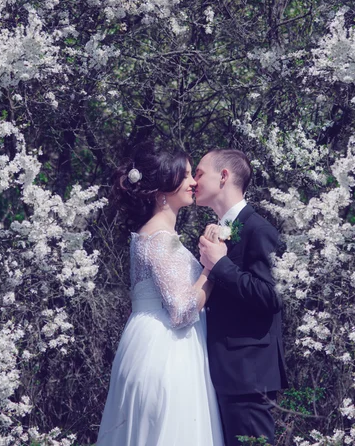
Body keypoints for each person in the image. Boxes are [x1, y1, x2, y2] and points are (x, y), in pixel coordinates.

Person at [97, 142, 223, 446]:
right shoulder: (161, 238)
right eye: (187, 175)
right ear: (164, 187)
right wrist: (212, 268)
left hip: (145, 341)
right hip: (168, 351)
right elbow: (181, 311)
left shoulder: (149, 234)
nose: (194, 182)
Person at [195, 148, 288, 446]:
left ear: (223, 177)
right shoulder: (218, 230)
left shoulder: (259, 230)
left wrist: (220, 265)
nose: (194, 181)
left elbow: (271, 296)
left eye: (199, 173)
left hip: (248, 375)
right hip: (223, 372)